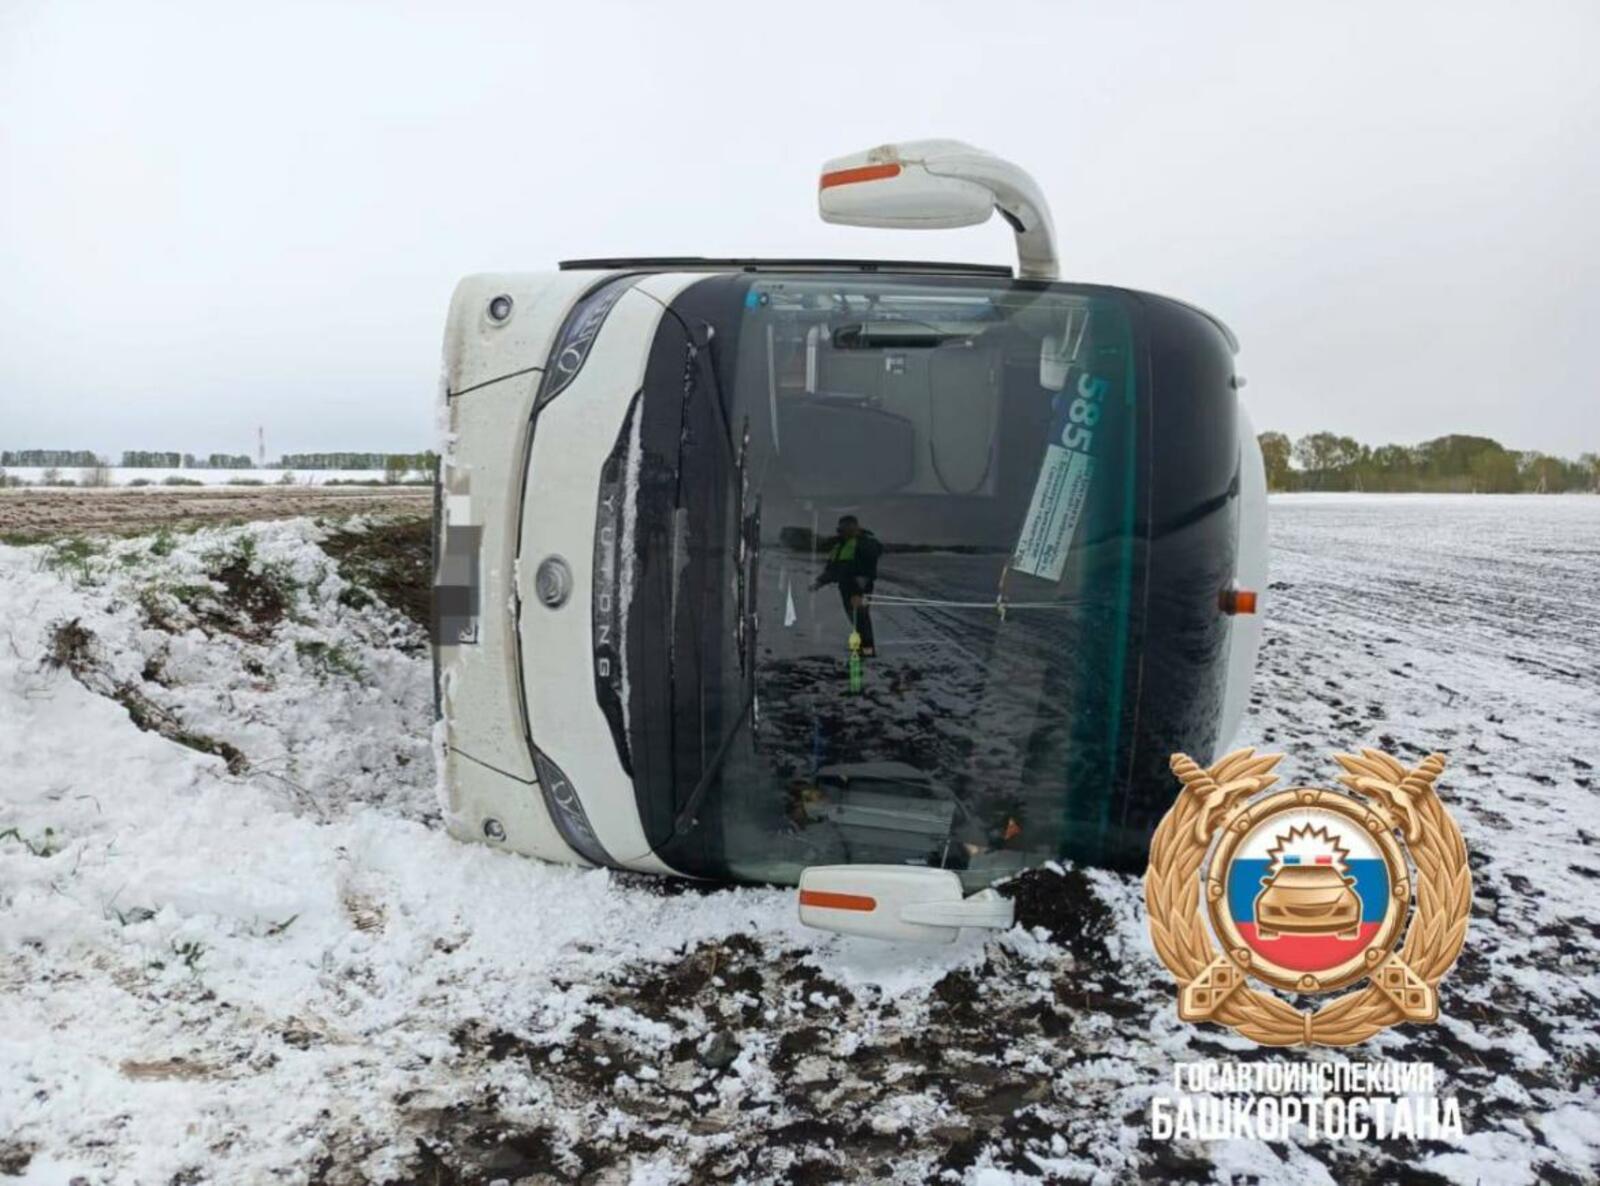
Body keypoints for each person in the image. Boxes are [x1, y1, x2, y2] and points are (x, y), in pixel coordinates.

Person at [812, 515, 882, 656]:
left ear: (856, 527)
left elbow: (874, 553)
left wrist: (863, 578)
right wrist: (820, 582)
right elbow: (832, 568)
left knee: (861, 618)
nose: (846, 531)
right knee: (854, 618)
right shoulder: (839, 545)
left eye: (850, 527)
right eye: (843, 528)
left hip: (861, 588)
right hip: (845, 587)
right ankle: (863, 647)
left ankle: (868, 651)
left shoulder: (866, 542)